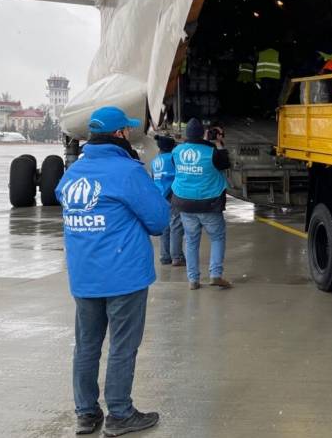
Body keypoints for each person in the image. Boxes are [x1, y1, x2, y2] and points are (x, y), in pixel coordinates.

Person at [57, 106, 169, 436]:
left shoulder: (73, 172)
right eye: (128, 131)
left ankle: (86, 413)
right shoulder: (127, 172)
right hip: (124, 276)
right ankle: (119, 414)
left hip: (85, 276)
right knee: (122, 346)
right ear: (120, 134)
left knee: (87, 346)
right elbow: (159, 221)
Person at [171, 118, 232, 290]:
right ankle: (215, 274)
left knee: (191, 240)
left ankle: (193, 280)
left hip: (184, 202)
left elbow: (176, 166)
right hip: (209, 203)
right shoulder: (211, 151)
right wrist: (219, 142)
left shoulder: (177, 151)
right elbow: (225, 163)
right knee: (217, 237)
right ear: (203, 134)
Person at [150, 135, 184, 266]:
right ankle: (177, 257)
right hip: (173, 193)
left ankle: (165, 256)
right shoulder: (173, 158)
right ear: (172, 147)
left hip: (160, 196)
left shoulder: (155, 161)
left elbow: (154, 179)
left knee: (165, 227)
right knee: (176, 225)